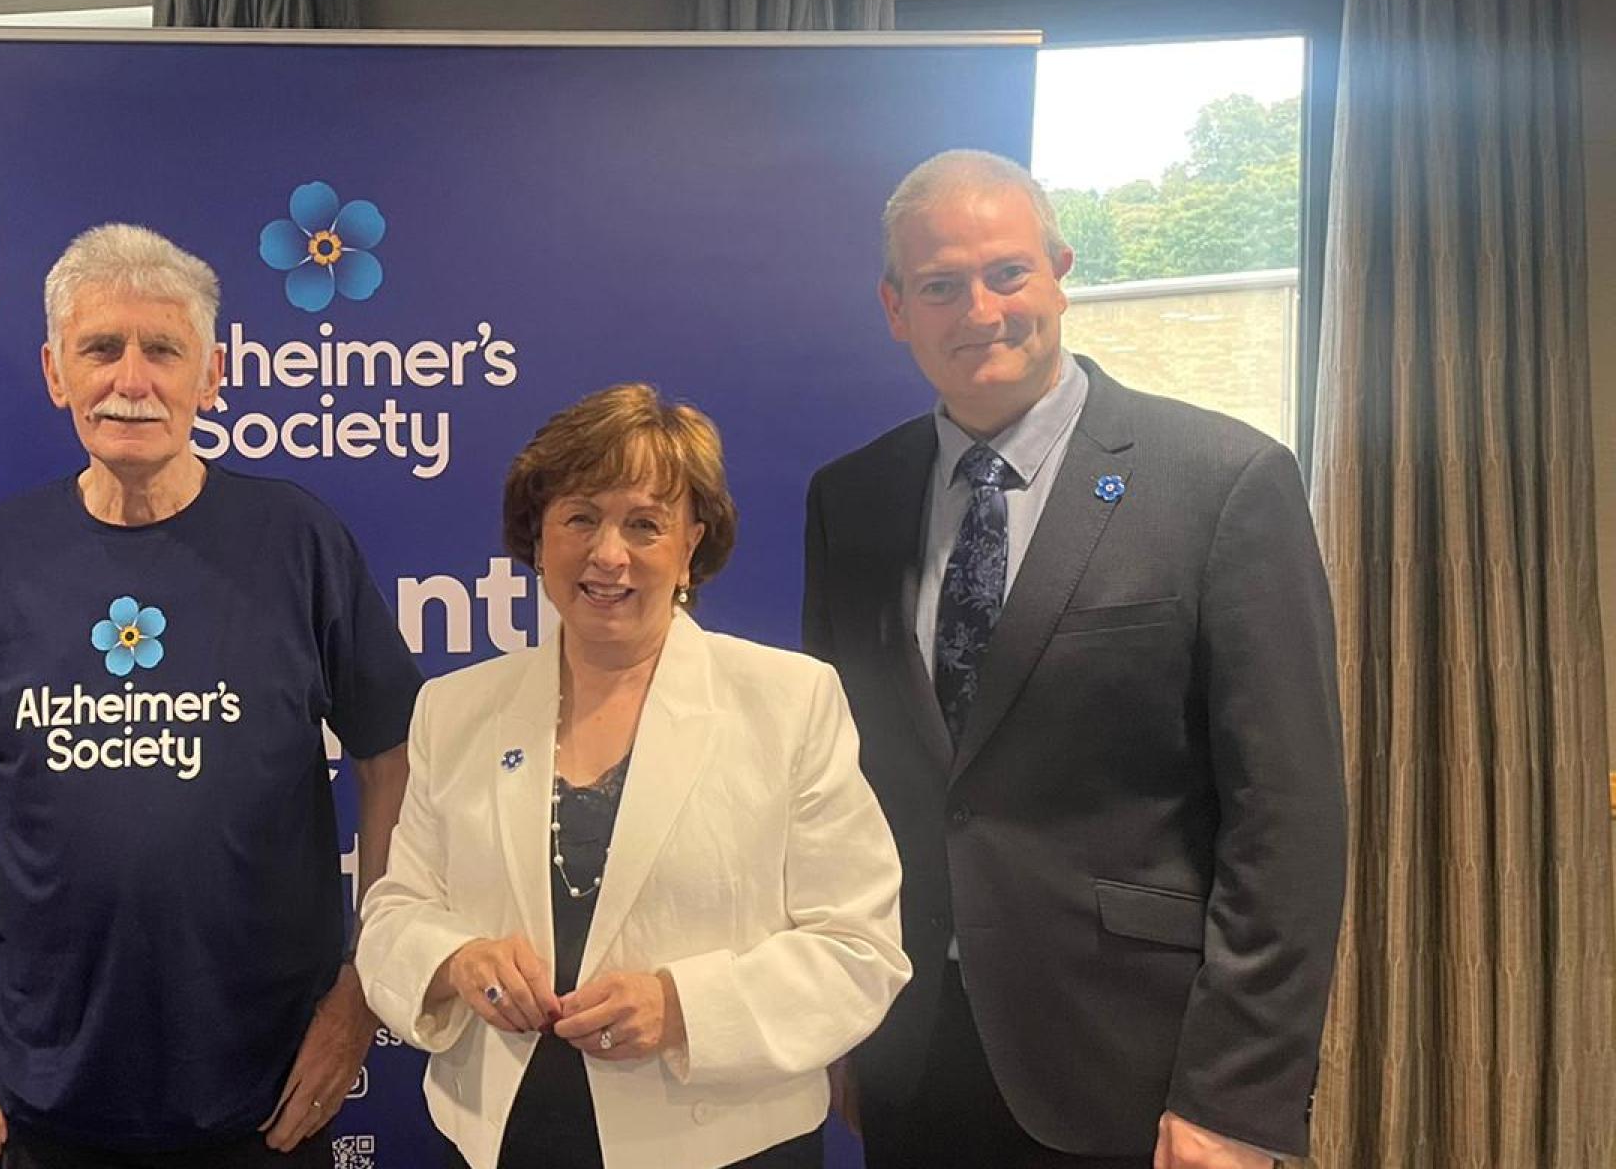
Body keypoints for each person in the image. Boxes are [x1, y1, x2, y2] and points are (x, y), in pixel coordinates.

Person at [802, 149, 1346, 1169]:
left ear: (1060, 269)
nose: (981, 309)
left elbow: (1290, 821)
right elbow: (836, 791)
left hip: (1139, 1075)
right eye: (940, 285)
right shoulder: (851, 501)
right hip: (912, 1056)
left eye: (1007, 272)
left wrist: (1236, 1097)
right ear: (896, 308)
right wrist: (839, 1031)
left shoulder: (1224, 482)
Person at [0, 223, 422, 1168]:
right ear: (56, 372)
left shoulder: (296, 542)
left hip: (266, 1085)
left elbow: (396, 757)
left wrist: (361, 990)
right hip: (45, 1082)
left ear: (209, 377)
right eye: (100, 349)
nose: (130, 380)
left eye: (163, 351)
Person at [359, 383, 911, 1169]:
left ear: (692, 545)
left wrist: (684, 1007)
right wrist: (456, 961)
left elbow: (859, 948)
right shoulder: (454, 709)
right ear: (538, 538)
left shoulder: (790, 701)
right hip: (505, 1138)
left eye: (644, 524)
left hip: (723, 1144)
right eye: (580, 517)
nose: (608, 554)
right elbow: (394, 913)